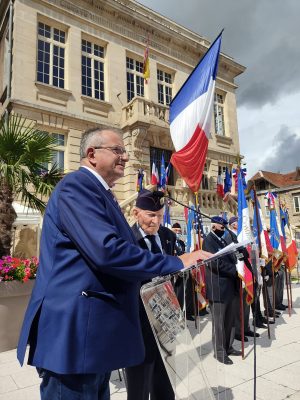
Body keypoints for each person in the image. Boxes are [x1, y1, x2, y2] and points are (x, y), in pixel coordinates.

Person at [17, 126, 212, 400]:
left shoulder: (101, 193)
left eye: (125, 151)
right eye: (118, 150)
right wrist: (175, 262)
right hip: (74, 339)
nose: (126, 157)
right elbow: (108, 251)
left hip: (94, 340)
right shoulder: (77, 187)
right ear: (92, 154)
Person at [125, 189, 176, 400]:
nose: (156, 221)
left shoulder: (168, 236)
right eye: (151, 215)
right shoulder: (126, 239)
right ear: (136, 213)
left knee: (164, 373)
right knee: (140, 377)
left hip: (164, 316)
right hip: (138, 319)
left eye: (160, 215)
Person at [202, 216, 241, 365]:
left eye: (225, 228)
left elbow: (232, 256)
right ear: (213, 227)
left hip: (230, 287)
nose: (223, 230)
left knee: (230, 320)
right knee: (219, 323)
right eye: (221, 228)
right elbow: (214, 263)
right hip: (218, 288)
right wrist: (235, 270)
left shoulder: (223, 240)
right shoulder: (208, 241)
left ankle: (228, 347)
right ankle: (219, 352)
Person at [225, 216, 261, 340]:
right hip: (239, 272)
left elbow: (245, 251)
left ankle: (246, 328)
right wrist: (243, 254)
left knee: (246, 303)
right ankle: (238, 332)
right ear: (231, 224)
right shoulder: (229, 236)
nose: (238, 224)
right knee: (238, 305)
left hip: (247, 270)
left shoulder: (240, 235)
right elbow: (234, 252)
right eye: (236, 222)